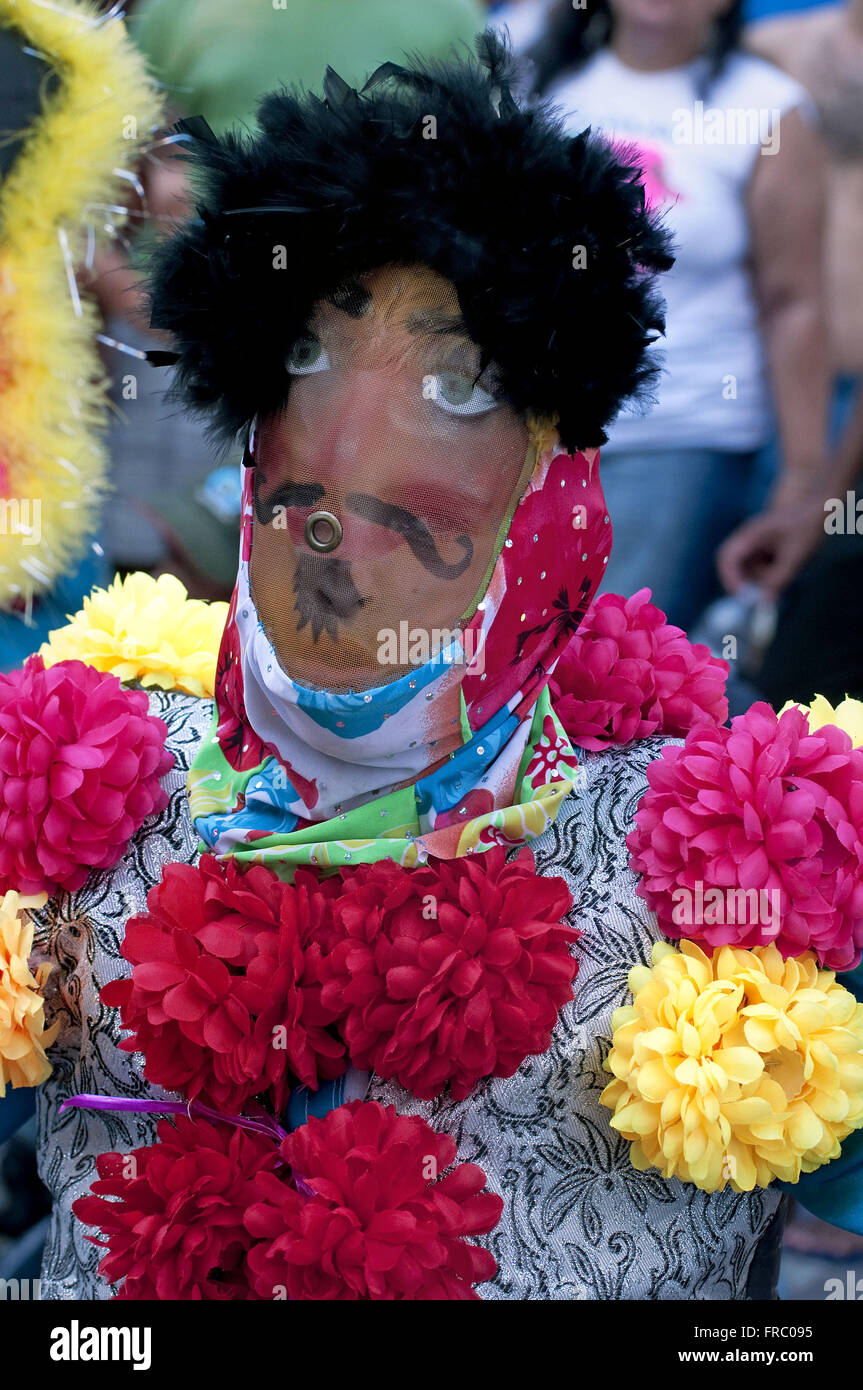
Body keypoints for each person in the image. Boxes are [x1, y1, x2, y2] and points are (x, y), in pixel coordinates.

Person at [11, 36, 863, 1301]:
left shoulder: (721, 841)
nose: (350, 447)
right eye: (306, 358)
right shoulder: (82, 773)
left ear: (554, 478)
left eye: (457, 382)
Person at [526, 0, 830, 633]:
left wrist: (803, 476)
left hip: (678, 440)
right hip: (524, 427)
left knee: (607, 662)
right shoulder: (527, 74)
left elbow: (795, 302)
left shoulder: (766, 107)